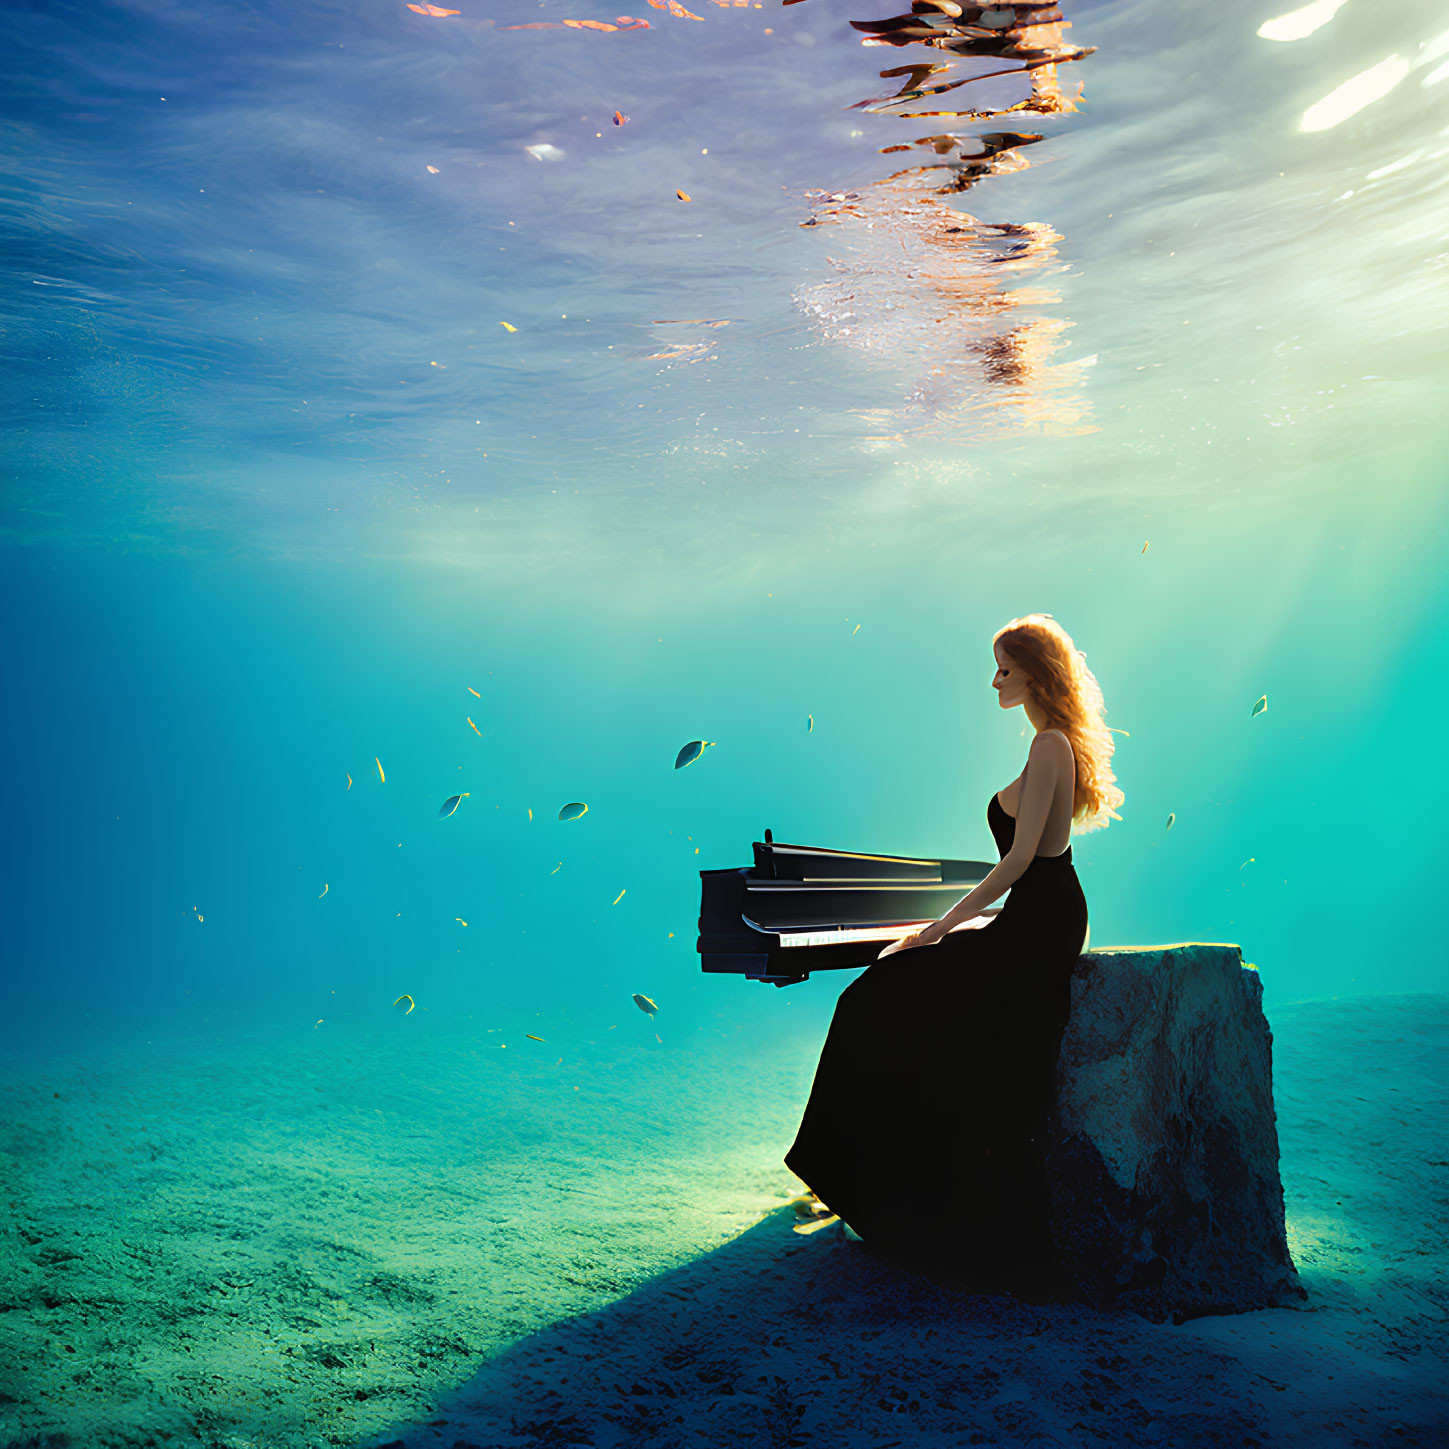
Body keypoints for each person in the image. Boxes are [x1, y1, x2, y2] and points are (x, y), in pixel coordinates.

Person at [783, 613, 1124, 1294]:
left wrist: (937, 929)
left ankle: (856, 1178)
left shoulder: (1050, 745)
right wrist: (965, 926)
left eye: (1004, 667)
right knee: (883, 993)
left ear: (1035, 673)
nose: (993, 679)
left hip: (1040, 920)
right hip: (1034, 914)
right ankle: (858, 1174)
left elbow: (1024, 859)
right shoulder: (1047, 743)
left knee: (872, 997)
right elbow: (1027, 869)